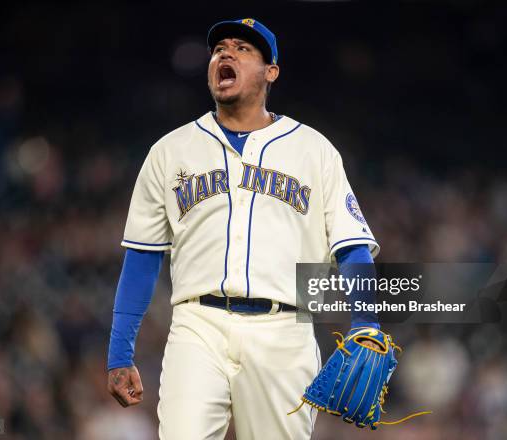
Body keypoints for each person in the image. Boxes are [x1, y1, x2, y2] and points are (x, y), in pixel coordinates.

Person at [106, 18, 380, 440]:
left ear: (271, 72)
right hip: (198, 326)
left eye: (243, 49)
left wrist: (367, 323)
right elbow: (143, 255)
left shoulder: (314, 150)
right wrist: (119, 352)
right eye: (220, 49)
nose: (226, 54)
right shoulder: (170, 150)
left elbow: (353, 248)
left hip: (284, 332)